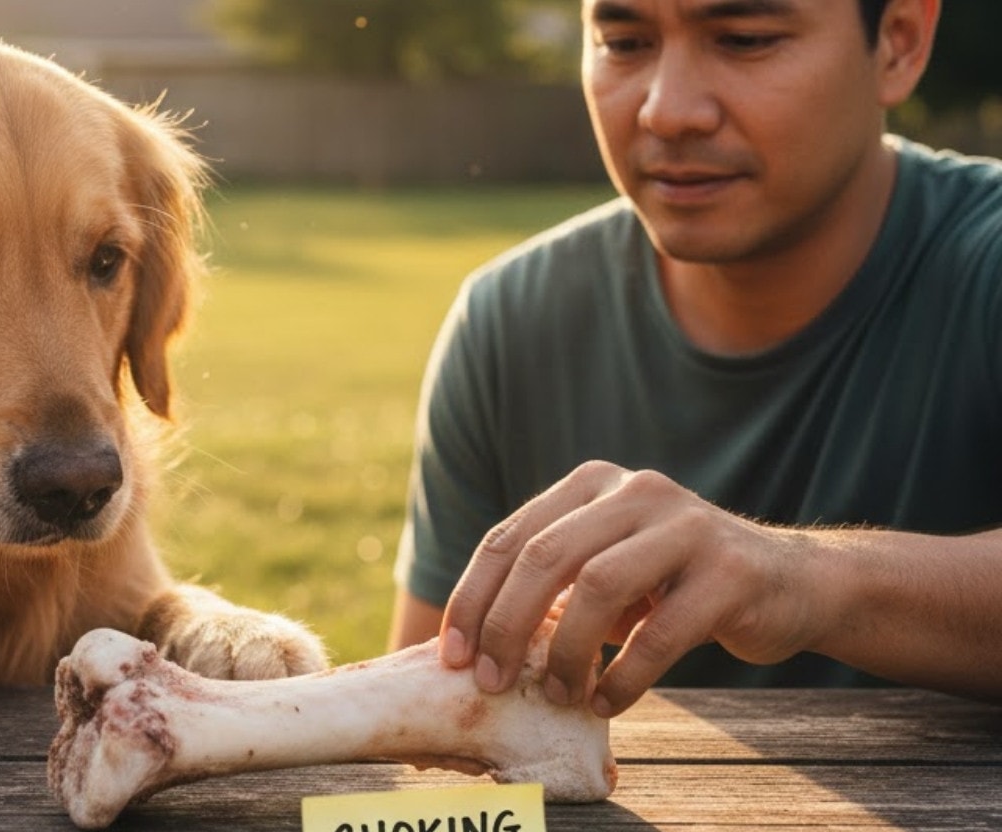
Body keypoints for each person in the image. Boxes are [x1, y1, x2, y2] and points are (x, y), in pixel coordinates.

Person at [388, 0, 1002, 719]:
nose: (666, 110)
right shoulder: (510, 319)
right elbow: (426, 713)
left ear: (897, 43)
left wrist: (800, 578)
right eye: (623, 42)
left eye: (745, 40)